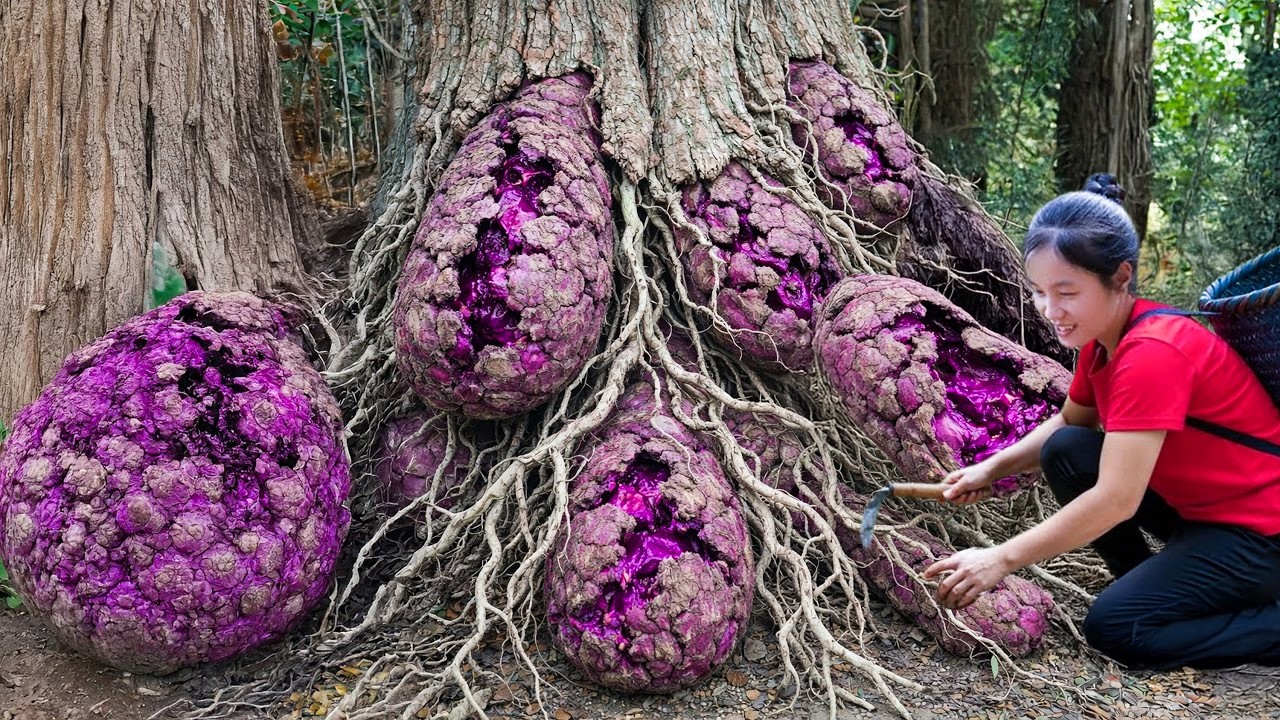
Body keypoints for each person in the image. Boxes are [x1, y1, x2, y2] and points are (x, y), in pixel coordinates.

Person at [922, 176, 1280, 669]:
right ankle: (1149, 582)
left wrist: (1000, 558)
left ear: (1120, 277)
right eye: (1040, 292)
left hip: (1258, 536)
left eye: (1066, 292)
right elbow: (1070, 423)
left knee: (1117, 629)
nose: (1051, 311)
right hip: (1199, 515)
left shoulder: (1153, 352)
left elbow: (1116, 498)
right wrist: (992, 468)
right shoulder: (1102, 338)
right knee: (1066, 449)